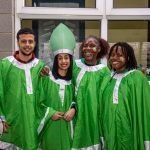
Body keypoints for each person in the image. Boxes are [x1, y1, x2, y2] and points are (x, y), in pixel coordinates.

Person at [0, 28, 45, 150]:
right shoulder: (5, 64)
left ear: (35, 43)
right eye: (23, 41)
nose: (27, 45)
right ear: (18, 42)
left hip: (32, 124)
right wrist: (1, 118)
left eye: (30, 41)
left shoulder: (40, 66)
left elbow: (45, 95)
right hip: (10, 123)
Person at [100, 42, 150, 150]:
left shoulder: (137, 77)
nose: (114, 58)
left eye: (119, 55)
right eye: (112, 55)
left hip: (130, 130)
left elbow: (145, 108)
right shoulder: (108, 79)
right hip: (110, 131)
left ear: (128, 57)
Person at [38, 23, 76, 150]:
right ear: (56, 60)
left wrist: (73, 109)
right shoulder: (47, 79)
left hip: (68, 128)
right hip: (50, 128)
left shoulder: (73, 81)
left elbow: (78, 99)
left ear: (71, 60)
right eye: (60, 58)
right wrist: (50, 113)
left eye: (66, 58)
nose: (64, 61)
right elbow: (38, 102)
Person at [72, 36, 111, 149]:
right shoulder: (74, 66)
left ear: (99, 49)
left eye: (92, 46)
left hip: (94, 120)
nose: (87, 48)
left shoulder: (104, 72)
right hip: (74, 116)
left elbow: (105, 99)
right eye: (85, 45)